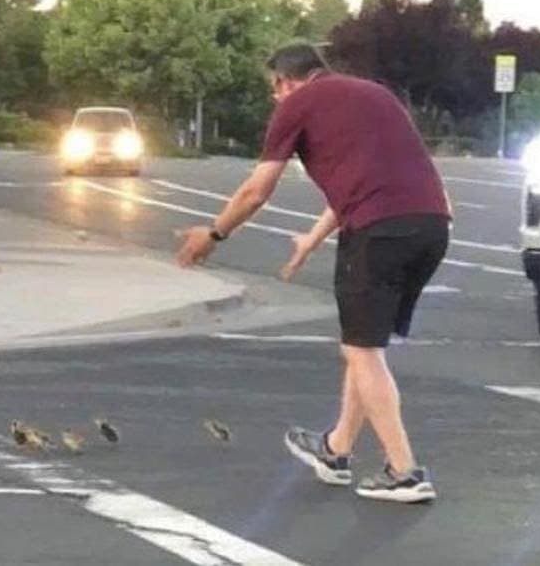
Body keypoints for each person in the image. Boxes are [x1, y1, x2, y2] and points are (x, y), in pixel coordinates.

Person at [176, 43, 450, 503]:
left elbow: (255, 191)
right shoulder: (375, 94)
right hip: (431, 225)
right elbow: (370, 179)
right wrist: (312, 239)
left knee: (362, 351)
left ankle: (404, 471)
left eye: (274, 90)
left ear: (286, 80)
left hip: (378, 232)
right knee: (366, 345)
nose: (275, 99)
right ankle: (336, 448)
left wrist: (214, 234)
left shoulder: (297, 104)